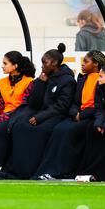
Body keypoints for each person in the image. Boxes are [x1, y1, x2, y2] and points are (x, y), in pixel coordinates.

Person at [33, 50, 105, 179]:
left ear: (95, 64)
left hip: (90, 117)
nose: (82, 64)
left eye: (86, 62)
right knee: (58, 129)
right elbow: (74, 102)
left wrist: (82, 116)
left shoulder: (101, 81)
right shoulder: (83, 78)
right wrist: (75, 113)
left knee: (67, 131)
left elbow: (100, 106)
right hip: (77, 115)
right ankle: (49, 169)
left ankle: (62, 169)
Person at [7, 43, 76, 179]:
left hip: (56, 116)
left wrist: (40, 118)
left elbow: (61, 106)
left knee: (37, 130)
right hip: (40, 113)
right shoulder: (45, 76)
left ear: (55, 63)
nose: (42, 66)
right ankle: (18, 169)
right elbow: (34, 102)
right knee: (20, 126)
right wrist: (41, 83)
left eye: (45, 63)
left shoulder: (67, 80)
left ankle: (35, 170)